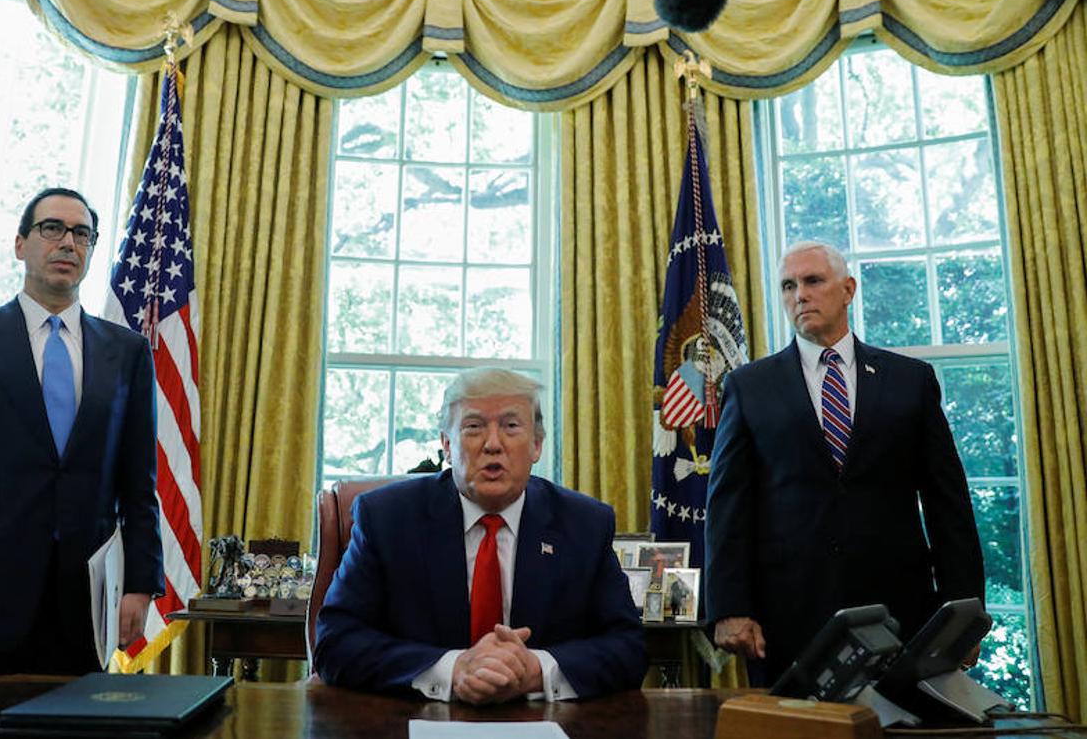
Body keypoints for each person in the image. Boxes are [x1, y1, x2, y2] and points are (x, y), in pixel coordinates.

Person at [0, 188, 164, 688]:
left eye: (82, 234)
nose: (68, 243)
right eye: (52, 228)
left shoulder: (127, 352)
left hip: (85, 611)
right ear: (20, 244)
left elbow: (138, 485)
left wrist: (141, 584)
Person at [704, 240, 985, 685]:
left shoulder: (909, 380)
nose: (800, 295)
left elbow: (947, 503)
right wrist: (729, 607)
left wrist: (964, 615)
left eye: (813, 281)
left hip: (900, 614)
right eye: (788, 286)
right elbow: (727, 506)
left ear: (849, 290)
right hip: (787, 618)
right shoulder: (749, 386)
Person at [314, 367, 646, 704]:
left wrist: (537, 670)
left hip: (545, 718)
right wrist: (452, 669)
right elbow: (335, 641)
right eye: (473, 427)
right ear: (447, 445)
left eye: (511, 426)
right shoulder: (386, 518)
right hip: (418, 716)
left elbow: (629, 646)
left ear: (536, 445)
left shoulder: (585, 524)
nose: (493, 444)